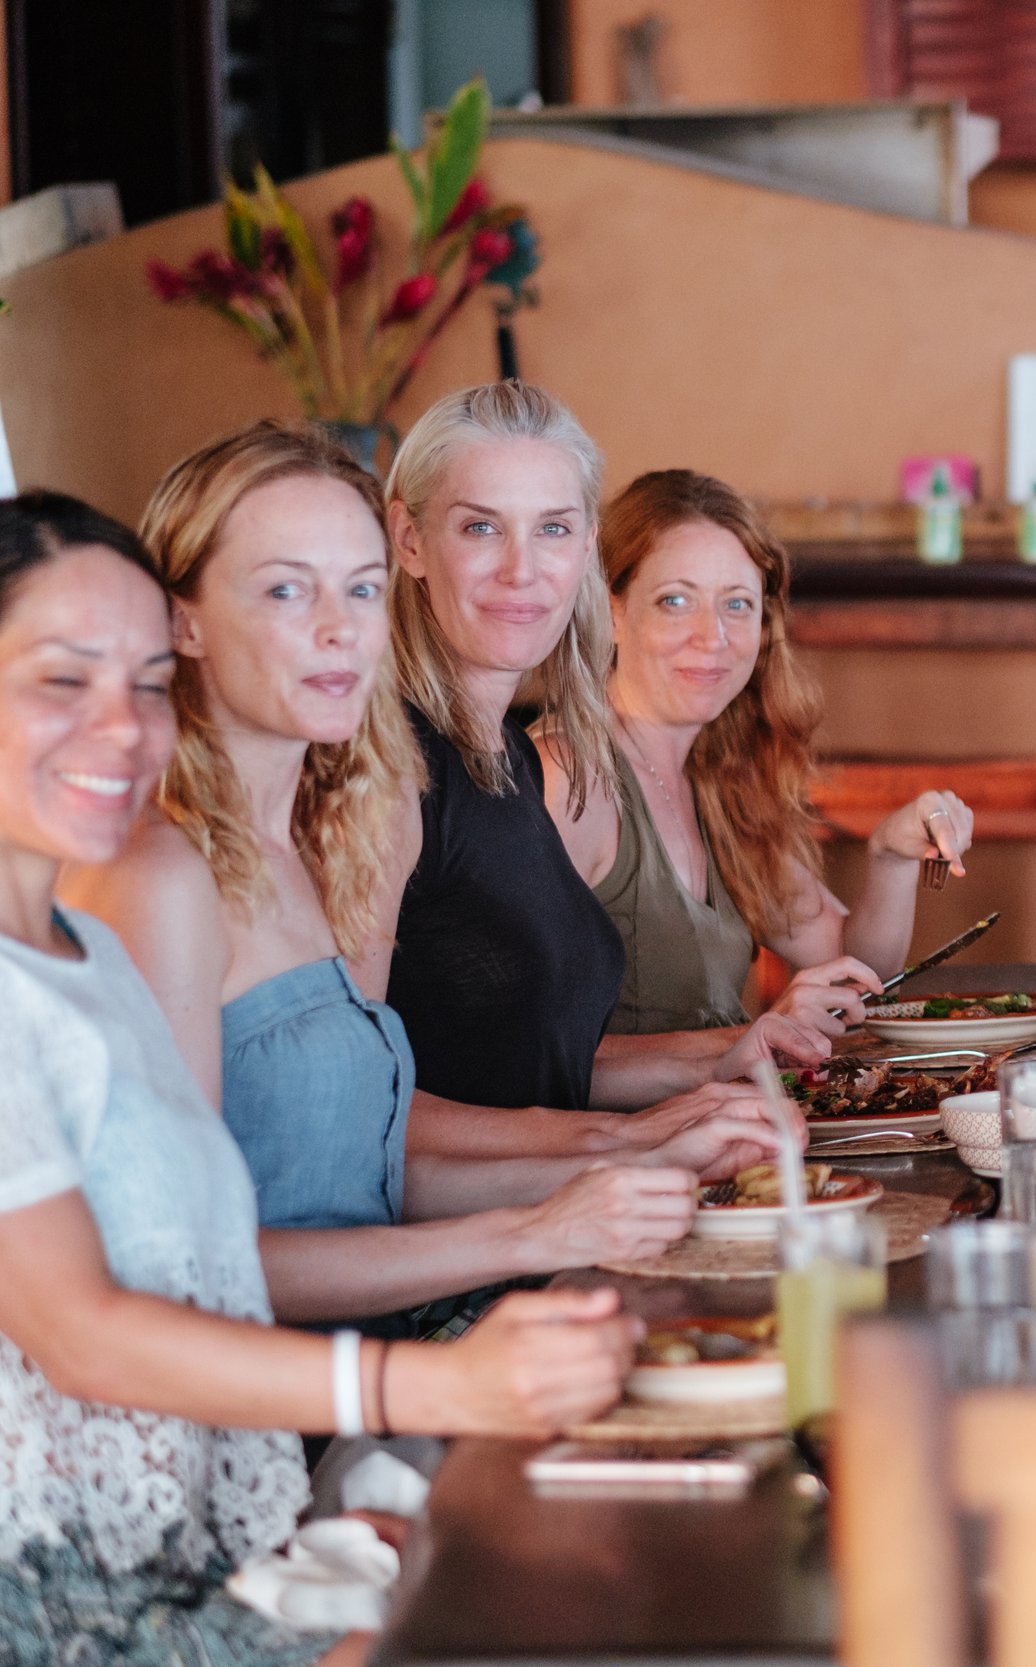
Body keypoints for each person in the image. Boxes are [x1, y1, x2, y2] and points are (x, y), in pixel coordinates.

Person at [0, 490, 634, 1666]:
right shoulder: (100, 928)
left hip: (214, 1544)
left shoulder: (79, 958)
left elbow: (213, 1262)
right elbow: (81, 1335)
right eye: (61, 679)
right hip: (73, 1609)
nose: (124, 725)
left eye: (142, 683)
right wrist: (424, 1391)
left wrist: (343, 1530)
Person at [61, 424, 773, 1334]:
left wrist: (647, 1155)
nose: (339, 628)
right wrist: (529, 1233)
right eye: (286, 588)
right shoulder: (164, 871)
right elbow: (181, 1267)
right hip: (296, 1406)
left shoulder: (314, 836)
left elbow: (370, 1167)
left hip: (384, 1352)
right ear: (181, 618)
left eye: (361, 590)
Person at [374, 382, 825, 1123]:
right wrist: (621, 1155)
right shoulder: (395, 765)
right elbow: (371, 1113)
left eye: (552, 529)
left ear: (586, 546)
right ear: (409, 539)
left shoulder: (506, 759)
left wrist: (732, 1050)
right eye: (481, 528)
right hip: (490, 1225)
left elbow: (532, 1063)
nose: (523, 569)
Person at [536, 469, 972, 1035]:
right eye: (675, 601)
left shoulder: (716, 779)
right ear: (611, 611)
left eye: (737, 605)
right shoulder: (569, 777)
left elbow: (856, 973)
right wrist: (746, 1041)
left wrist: (890, 857)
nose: (713, 636)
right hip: (637, 1125)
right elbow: (523, 1063)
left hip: (725, 1118)